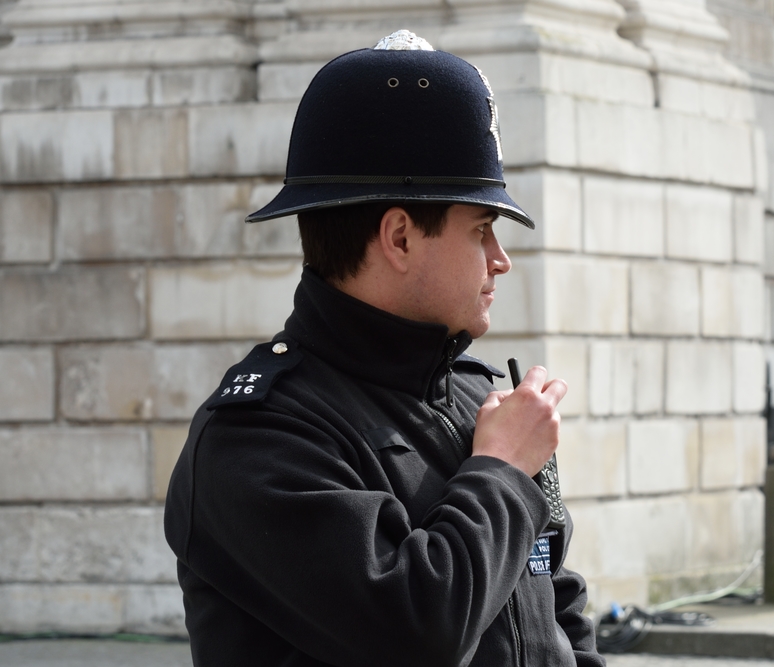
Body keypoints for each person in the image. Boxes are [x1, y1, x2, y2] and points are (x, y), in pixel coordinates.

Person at [163, 30, 604, 667]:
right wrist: (503, 471)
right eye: (481, 229)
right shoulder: (256, 439)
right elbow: (416, 634)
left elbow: (555, 608)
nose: (500, 260)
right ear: (398, 237)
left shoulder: (477, 398)